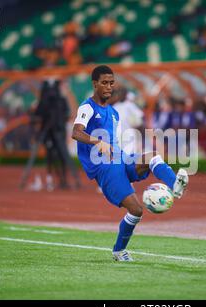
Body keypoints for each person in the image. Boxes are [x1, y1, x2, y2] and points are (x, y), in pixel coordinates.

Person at [71, 65, 189, 262]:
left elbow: (114, 143)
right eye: (104, 83)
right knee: (136, 210)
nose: (109, 87)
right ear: (95, 84)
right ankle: (119, 251)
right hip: (104, 168)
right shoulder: (87, 107)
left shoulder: (113, 113)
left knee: (152, 156)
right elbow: (76, 132)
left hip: (120, 158)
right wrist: (97, 141)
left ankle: (175, 185)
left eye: (111, 83)